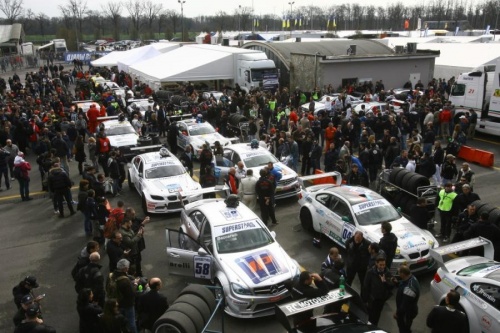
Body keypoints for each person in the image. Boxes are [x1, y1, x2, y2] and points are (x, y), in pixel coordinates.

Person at [362, 256, 395, 326]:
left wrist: (385, 281)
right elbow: (366, 286)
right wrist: (365, 300)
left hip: (381, 300)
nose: (382, 267)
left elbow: (391, 286)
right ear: (376, 264)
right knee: (370, 317)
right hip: (372, 300)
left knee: (377, 316)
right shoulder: (370, 272)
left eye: (384, 265)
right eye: (380, 265)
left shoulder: (387, 272)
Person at [108, 259, 137, 333]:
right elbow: (132, 294)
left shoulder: (112, 276)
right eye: (127, 267)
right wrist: (135, 285)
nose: (128, 269)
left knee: (121, 320)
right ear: (124, 268)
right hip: (128, 304)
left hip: (117, 302)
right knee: (131, 321)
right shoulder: (125, 281)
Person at [394, 265, 420, 333]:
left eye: (399, 272)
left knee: (403, 328)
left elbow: (404, 306)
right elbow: (403, 285)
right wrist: (397, 283)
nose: (398, 274)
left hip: (406, 314)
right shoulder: (411, 278)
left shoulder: (409, 289)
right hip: (410, 311)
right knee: (407, 327)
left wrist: (397, 314)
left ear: (403, 274)